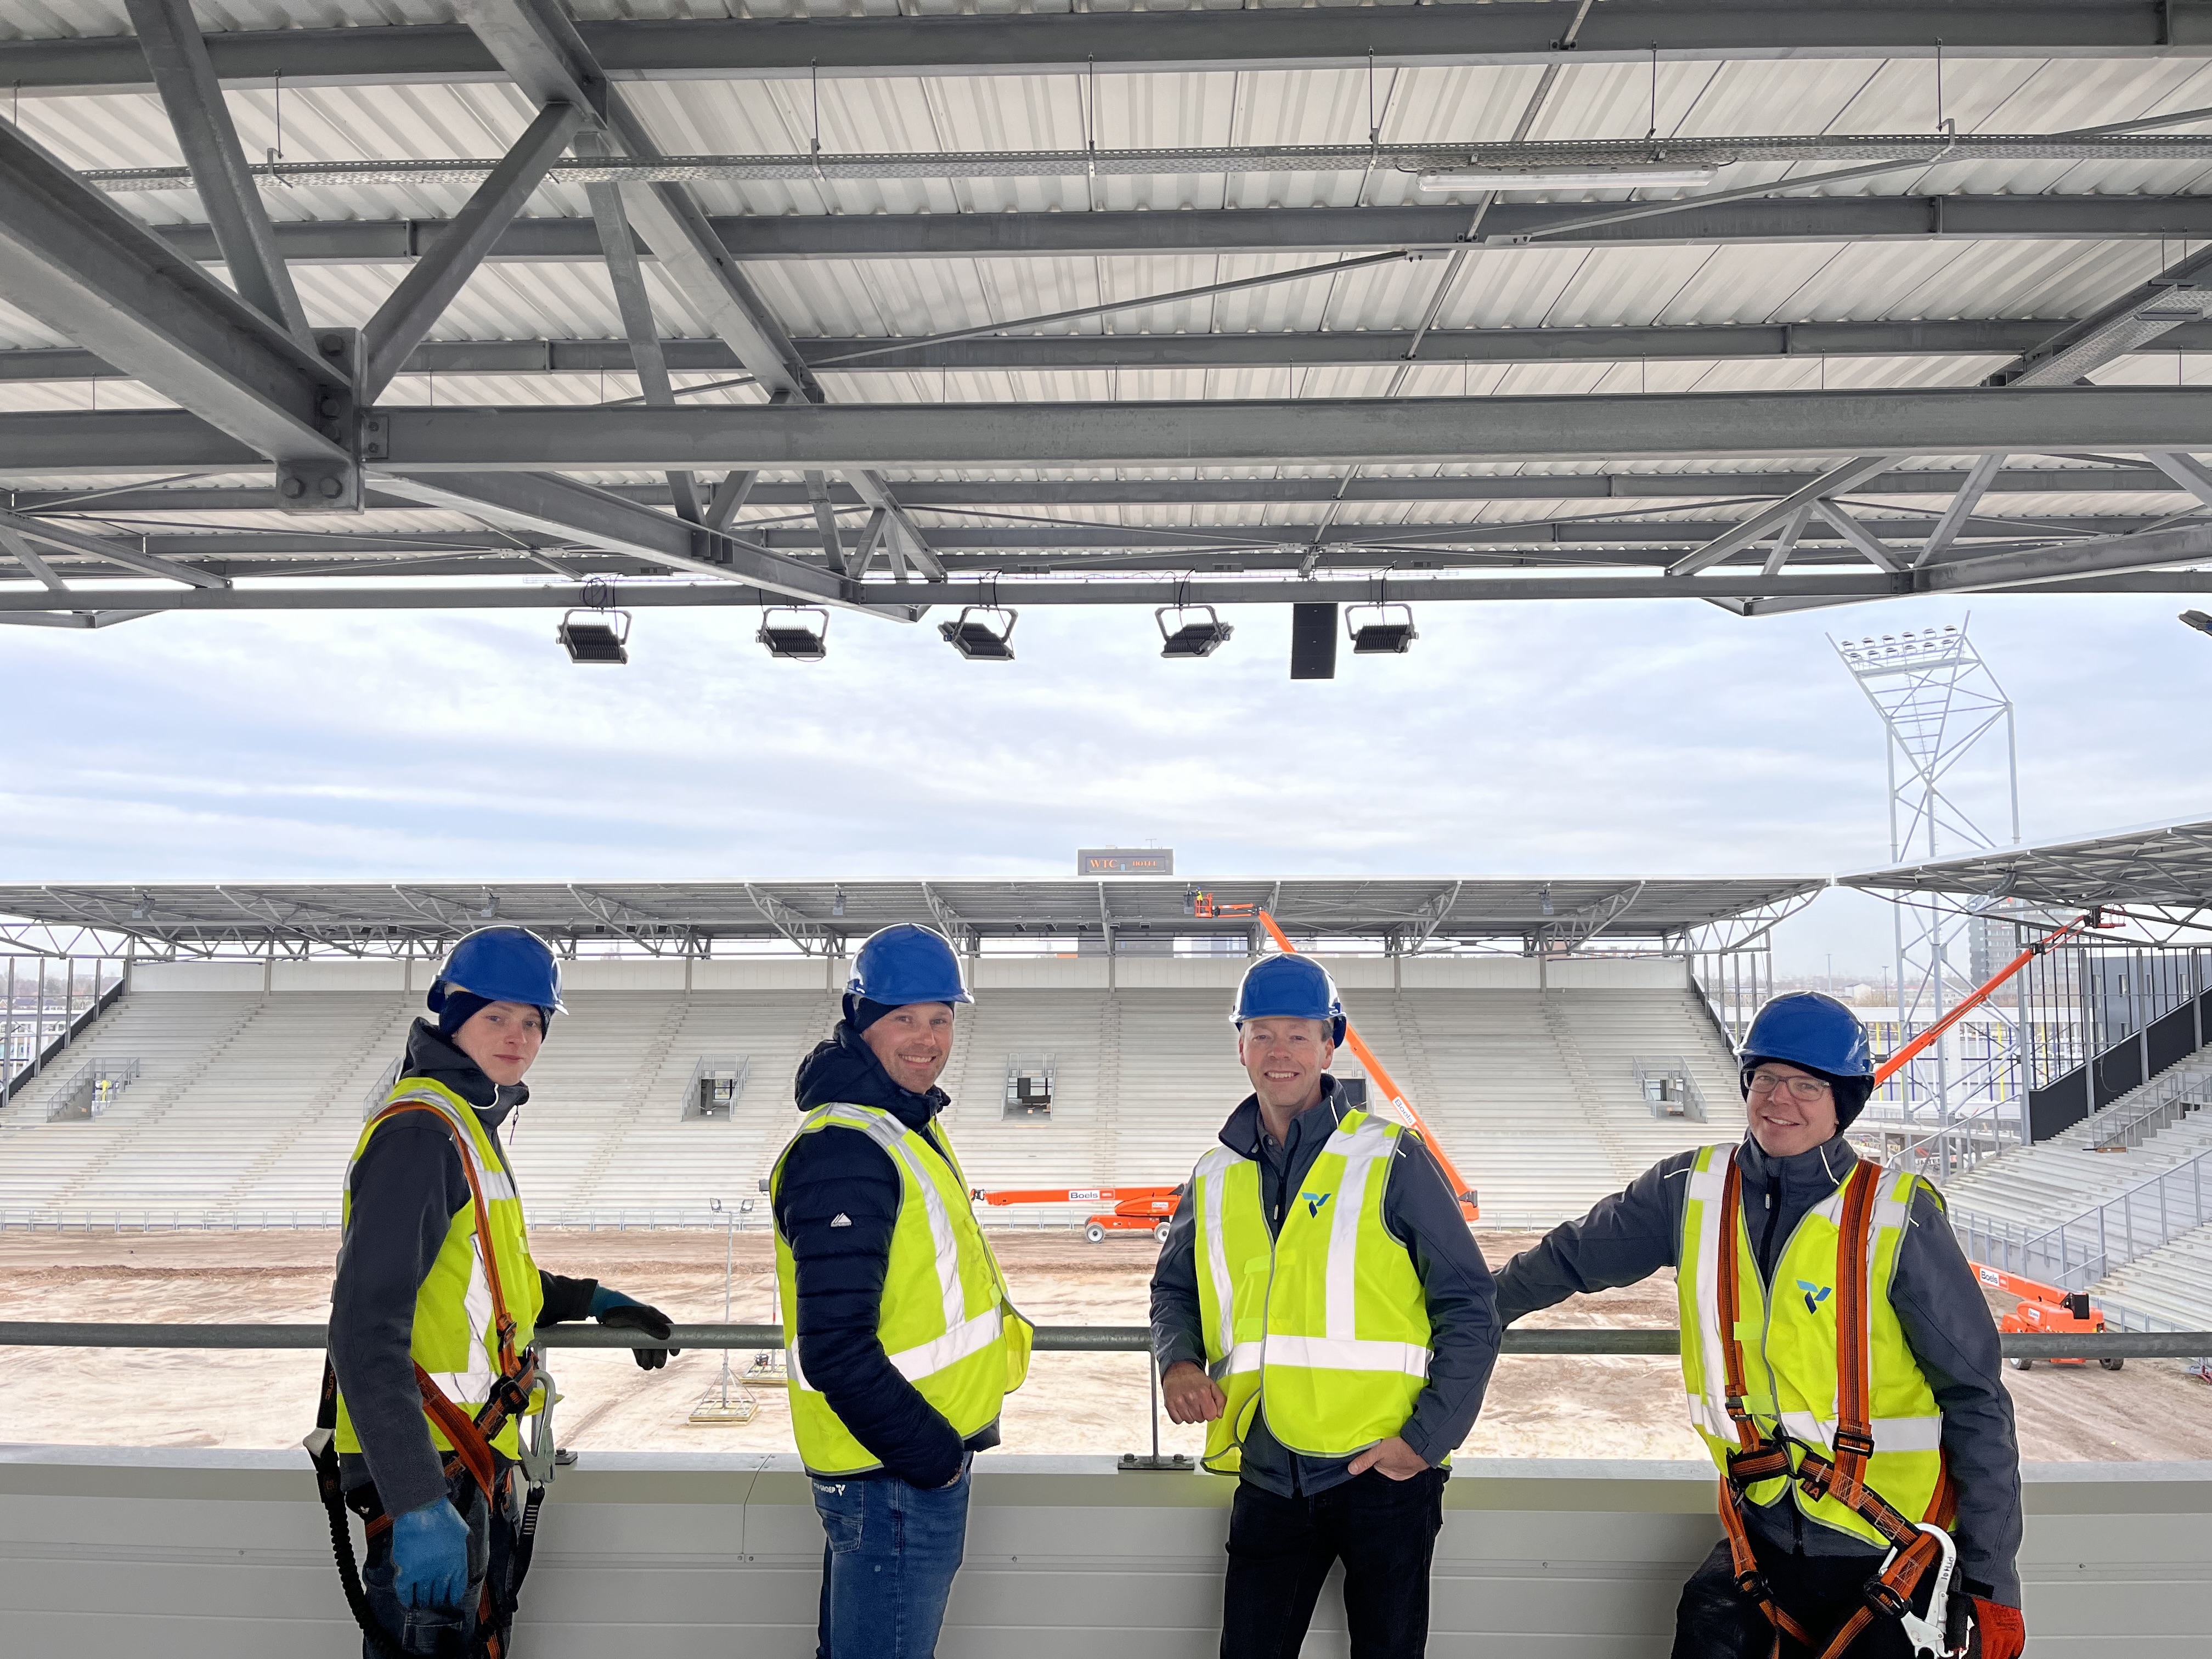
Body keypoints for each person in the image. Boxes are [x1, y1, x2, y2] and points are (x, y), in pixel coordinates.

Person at [1491, 991, 2027, 1659]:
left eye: (1807, 1084)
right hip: (1762, 1542)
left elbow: (1976, 1399)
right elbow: (1571, 1258)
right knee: (1706, 1623)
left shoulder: (1896, 1218)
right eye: (1766, 1078)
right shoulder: (1689, 1190)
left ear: (1844, 1102)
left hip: (1887, 1555)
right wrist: (1473, 1312)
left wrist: (1991, 1577)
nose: (1780, 1100)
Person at [313, 927, 678, 1658]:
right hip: (427, 1467)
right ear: (452, 1015)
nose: (519, 1037)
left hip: (463, 1454)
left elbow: (493, 1285)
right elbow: (362, 1329)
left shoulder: (467, 1126)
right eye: (497, 1018)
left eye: (534, 1021)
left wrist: (598, 1301)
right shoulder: (423, 1132)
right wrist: (417, 1503)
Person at [1150, 953, 1501, 1659]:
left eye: (1299, 1035)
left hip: (1382, 1471)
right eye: (1263, 1034)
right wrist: (1179, 1360)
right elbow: (1174, 1289)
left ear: (1330, 1044)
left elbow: (1470, 1305)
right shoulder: (1215, 1172)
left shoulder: (1389, 1156)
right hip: (1269, 1467)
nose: (1280, 1053)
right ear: (1240, 1045)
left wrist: (1425, 1443)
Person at [770, 924, 1031, 1659]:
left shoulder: (902, 1125)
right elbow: (836, 1348)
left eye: (941, 1019)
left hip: (899, 1468)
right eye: (904, 1020)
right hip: (895, 1478)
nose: (927, 1039)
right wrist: (937, 1461)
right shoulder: (848, 1148)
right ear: (861, 1022)